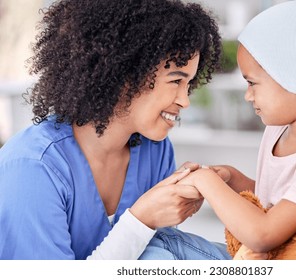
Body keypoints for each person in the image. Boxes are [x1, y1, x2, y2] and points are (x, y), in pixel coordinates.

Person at [139, 0, 296, 260]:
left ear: (295, 78)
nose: (248, 96)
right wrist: (232, 178)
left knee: (167, 247)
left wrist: (207, 182)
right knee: (162, 242)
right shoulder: (278, 131)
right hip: (280, 256)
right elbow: (283, 205)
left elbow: (263, 235)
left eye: (252, 83)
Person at [0, 0, 227, 260]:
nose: (185, 100)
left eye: (189, 83)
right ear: (125, 73)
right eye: (176, 80)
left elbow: (153, 257)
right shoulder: (31, 168)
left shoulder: (156, 150)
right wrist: (141, 219)